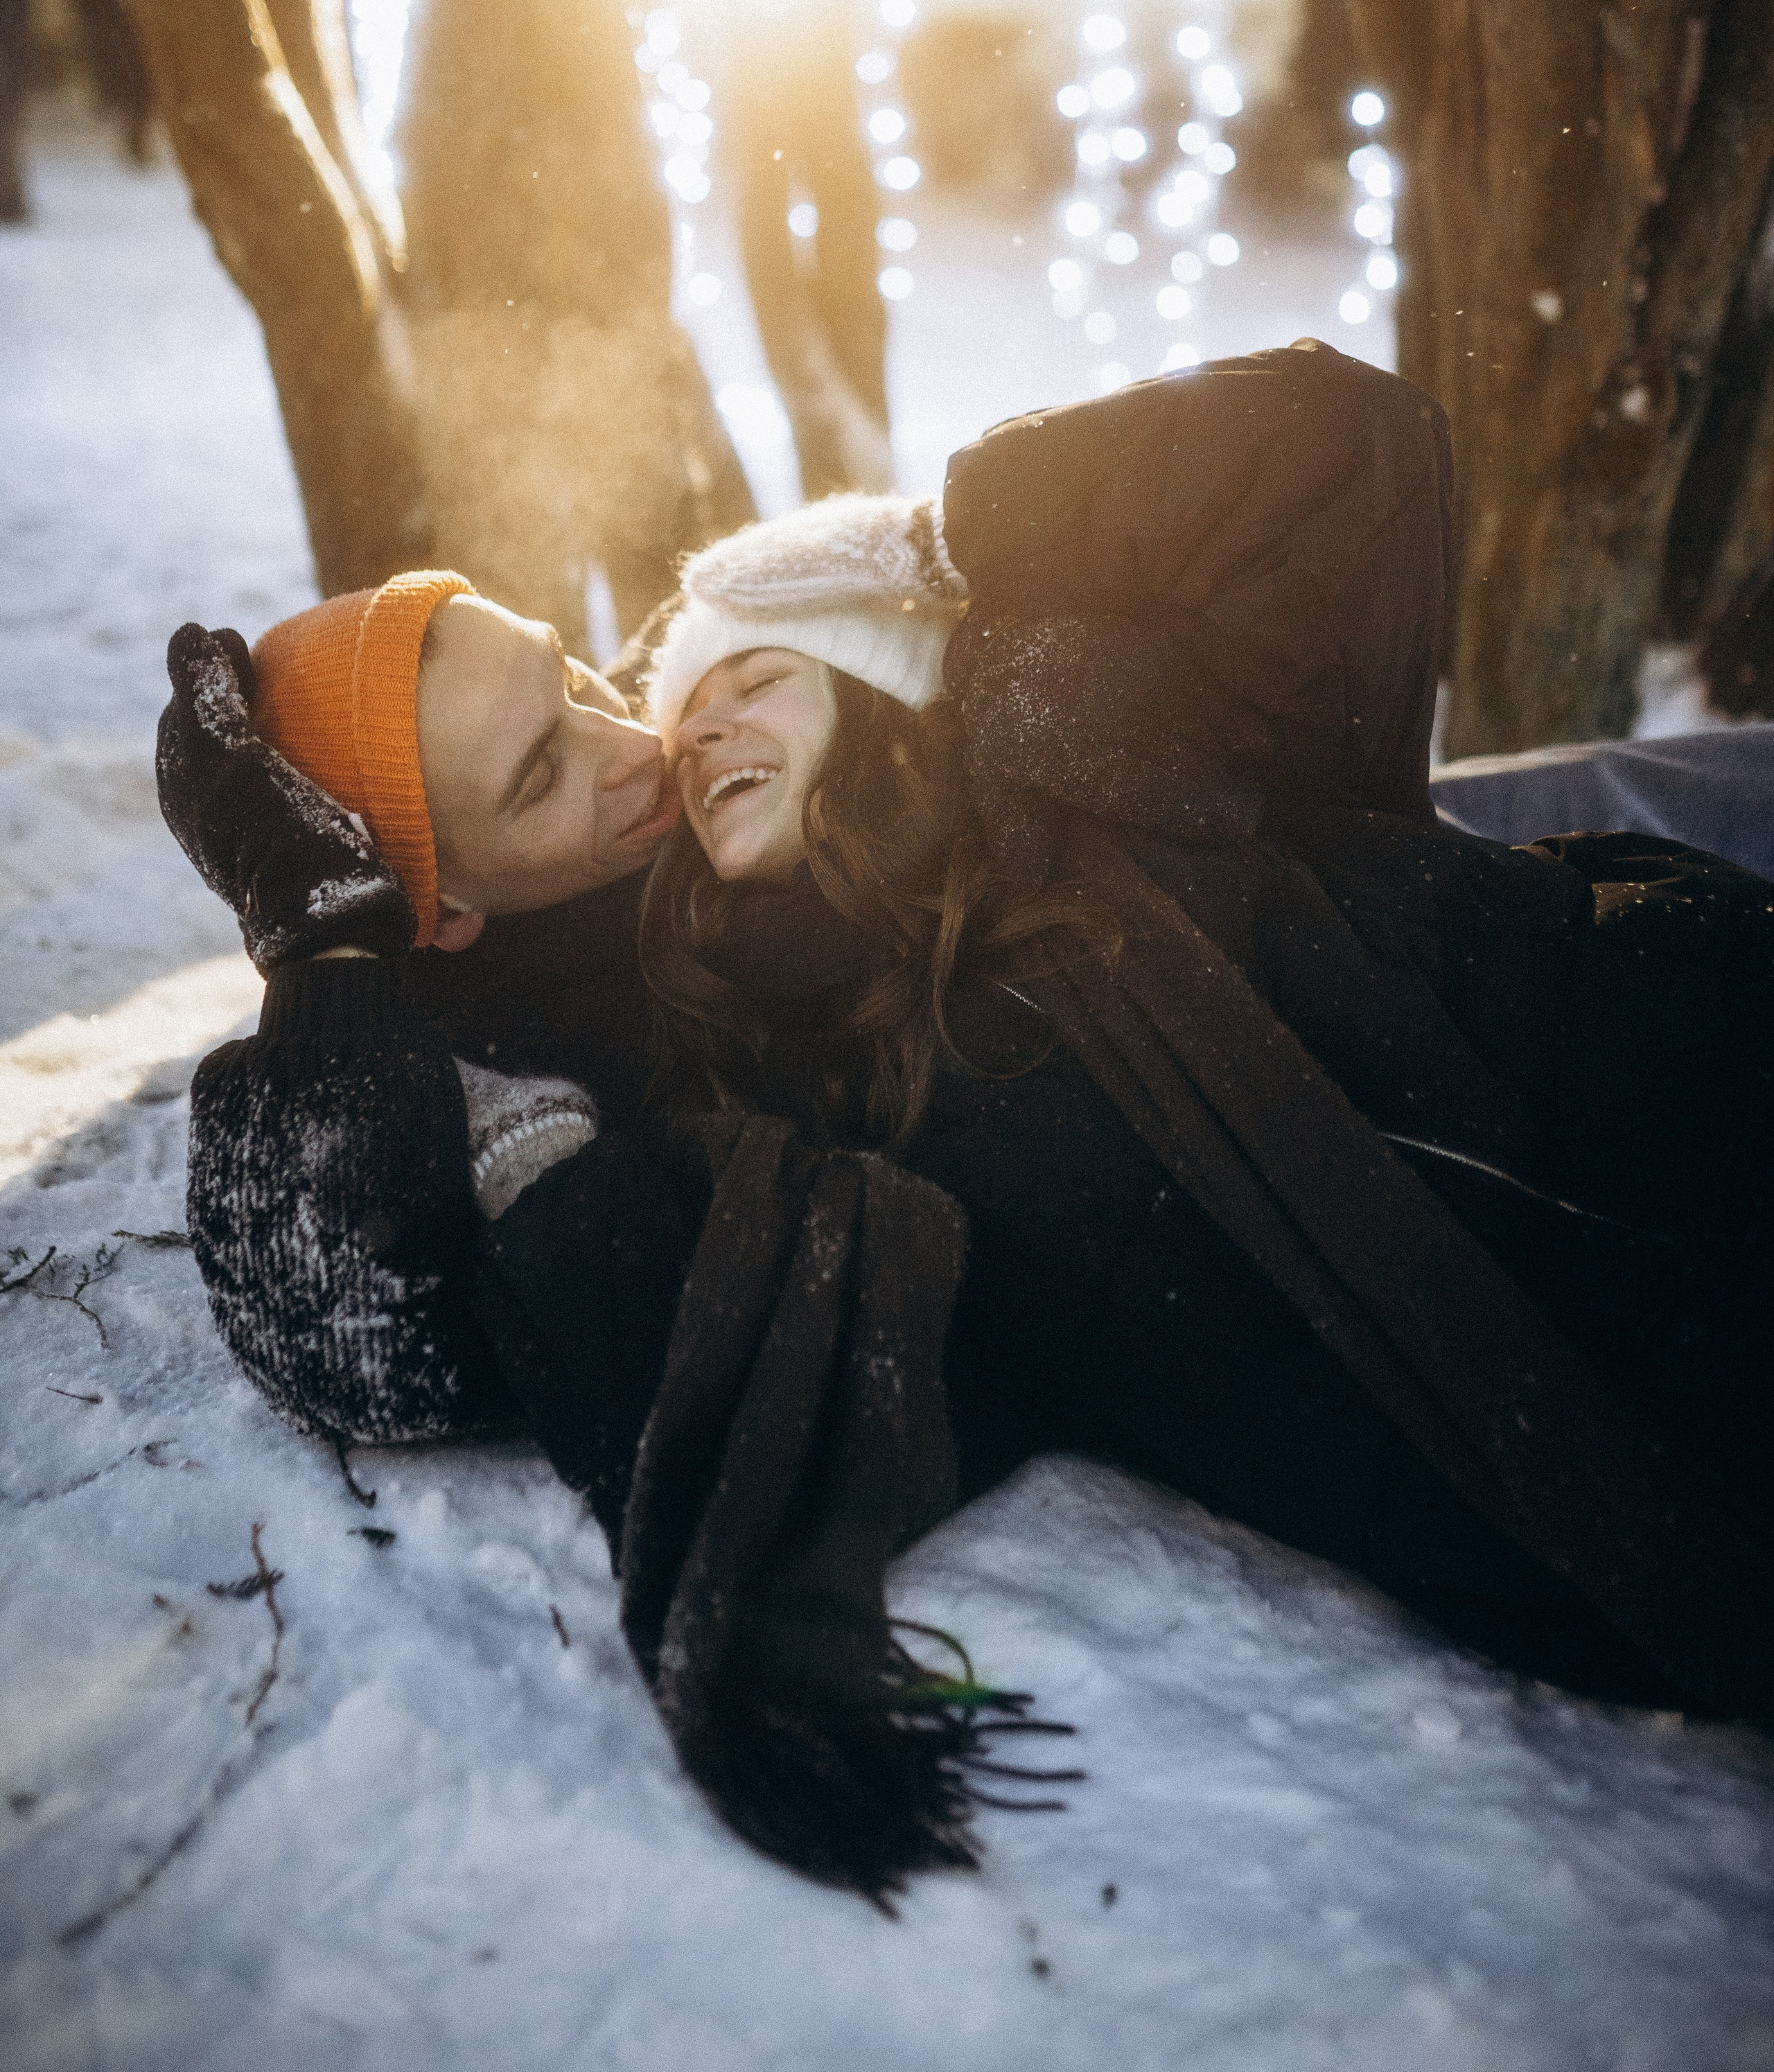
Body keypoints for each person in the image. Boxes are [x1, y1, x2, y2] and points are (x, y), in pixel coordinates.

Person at [158, 342, 1774, 1898]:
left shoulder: (1039, 722)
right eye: (537, 778)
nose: (631, 740)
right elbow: (355, 1328)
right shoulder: (675, 1077)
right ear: (435, 917)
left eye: (576, 676)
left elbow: (1337, 451)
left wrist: (938, 544)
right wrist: (325, 955)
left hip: (1658, 1015)